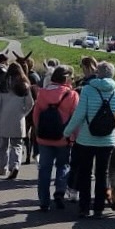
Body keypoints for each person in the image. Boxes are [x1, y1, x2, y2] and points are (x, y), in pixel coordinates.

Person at [65, 60, 115, 217]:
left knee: (85, 173)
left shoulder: (88, 90)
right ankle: (99, 208)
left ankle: (84, 207)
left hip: (85, 140)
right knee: (102, 173)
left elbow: (79, 115)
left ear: (98, 73)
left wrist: (67, 132)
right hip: (107, 141)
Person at [31, 66, 79, 211]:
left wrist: (40, 131)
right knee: (63, 166)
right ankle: (59, 193)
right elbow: (75, 119)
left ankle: (44, 201)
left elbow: (35, 115)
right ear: (66, 79)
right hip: (63, 139)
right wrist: (73, 138)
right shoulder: (72, 95)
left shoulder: (42, 93)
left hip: (44, 138)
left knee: (44, 169)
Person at [0, 61, 33, 179]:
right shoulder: (25, 86)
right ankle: (15, 166)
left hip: (3, 119)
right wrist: (23, 113)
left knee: (3, 145)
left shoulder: (1, 86)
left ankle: (3, 168)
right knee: (17, 145)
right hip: (18, 120)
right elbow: (30, 103)